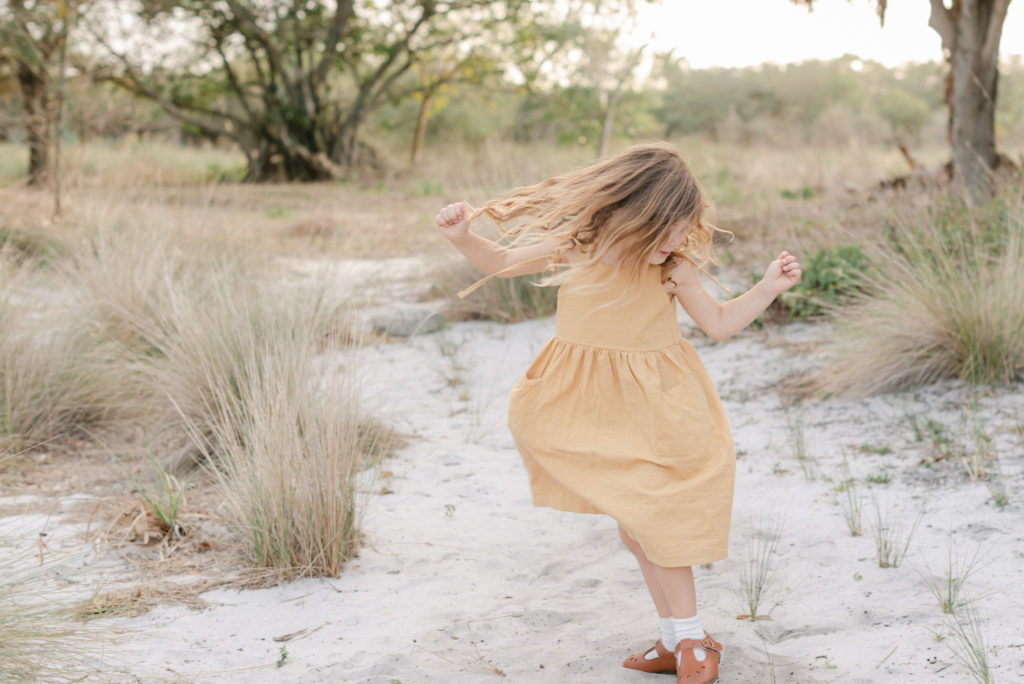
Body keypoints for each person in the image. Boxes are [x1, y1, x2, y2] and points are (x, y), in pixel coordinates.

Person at [434, 142, 801, 684]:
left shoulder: (673, 270)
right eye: (665, 231)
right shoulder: (576, 247)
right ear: (630, 216)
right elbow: (502, 262)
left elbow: (719, 324)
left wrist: (769, 287)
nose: (676, 242)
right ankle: (674, 640)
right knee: (634, 531)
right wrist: (464, 236)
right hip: (593, 408)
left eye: (683, 231)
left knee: (661, 526)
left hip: (660, 411)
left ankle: (695, 640)